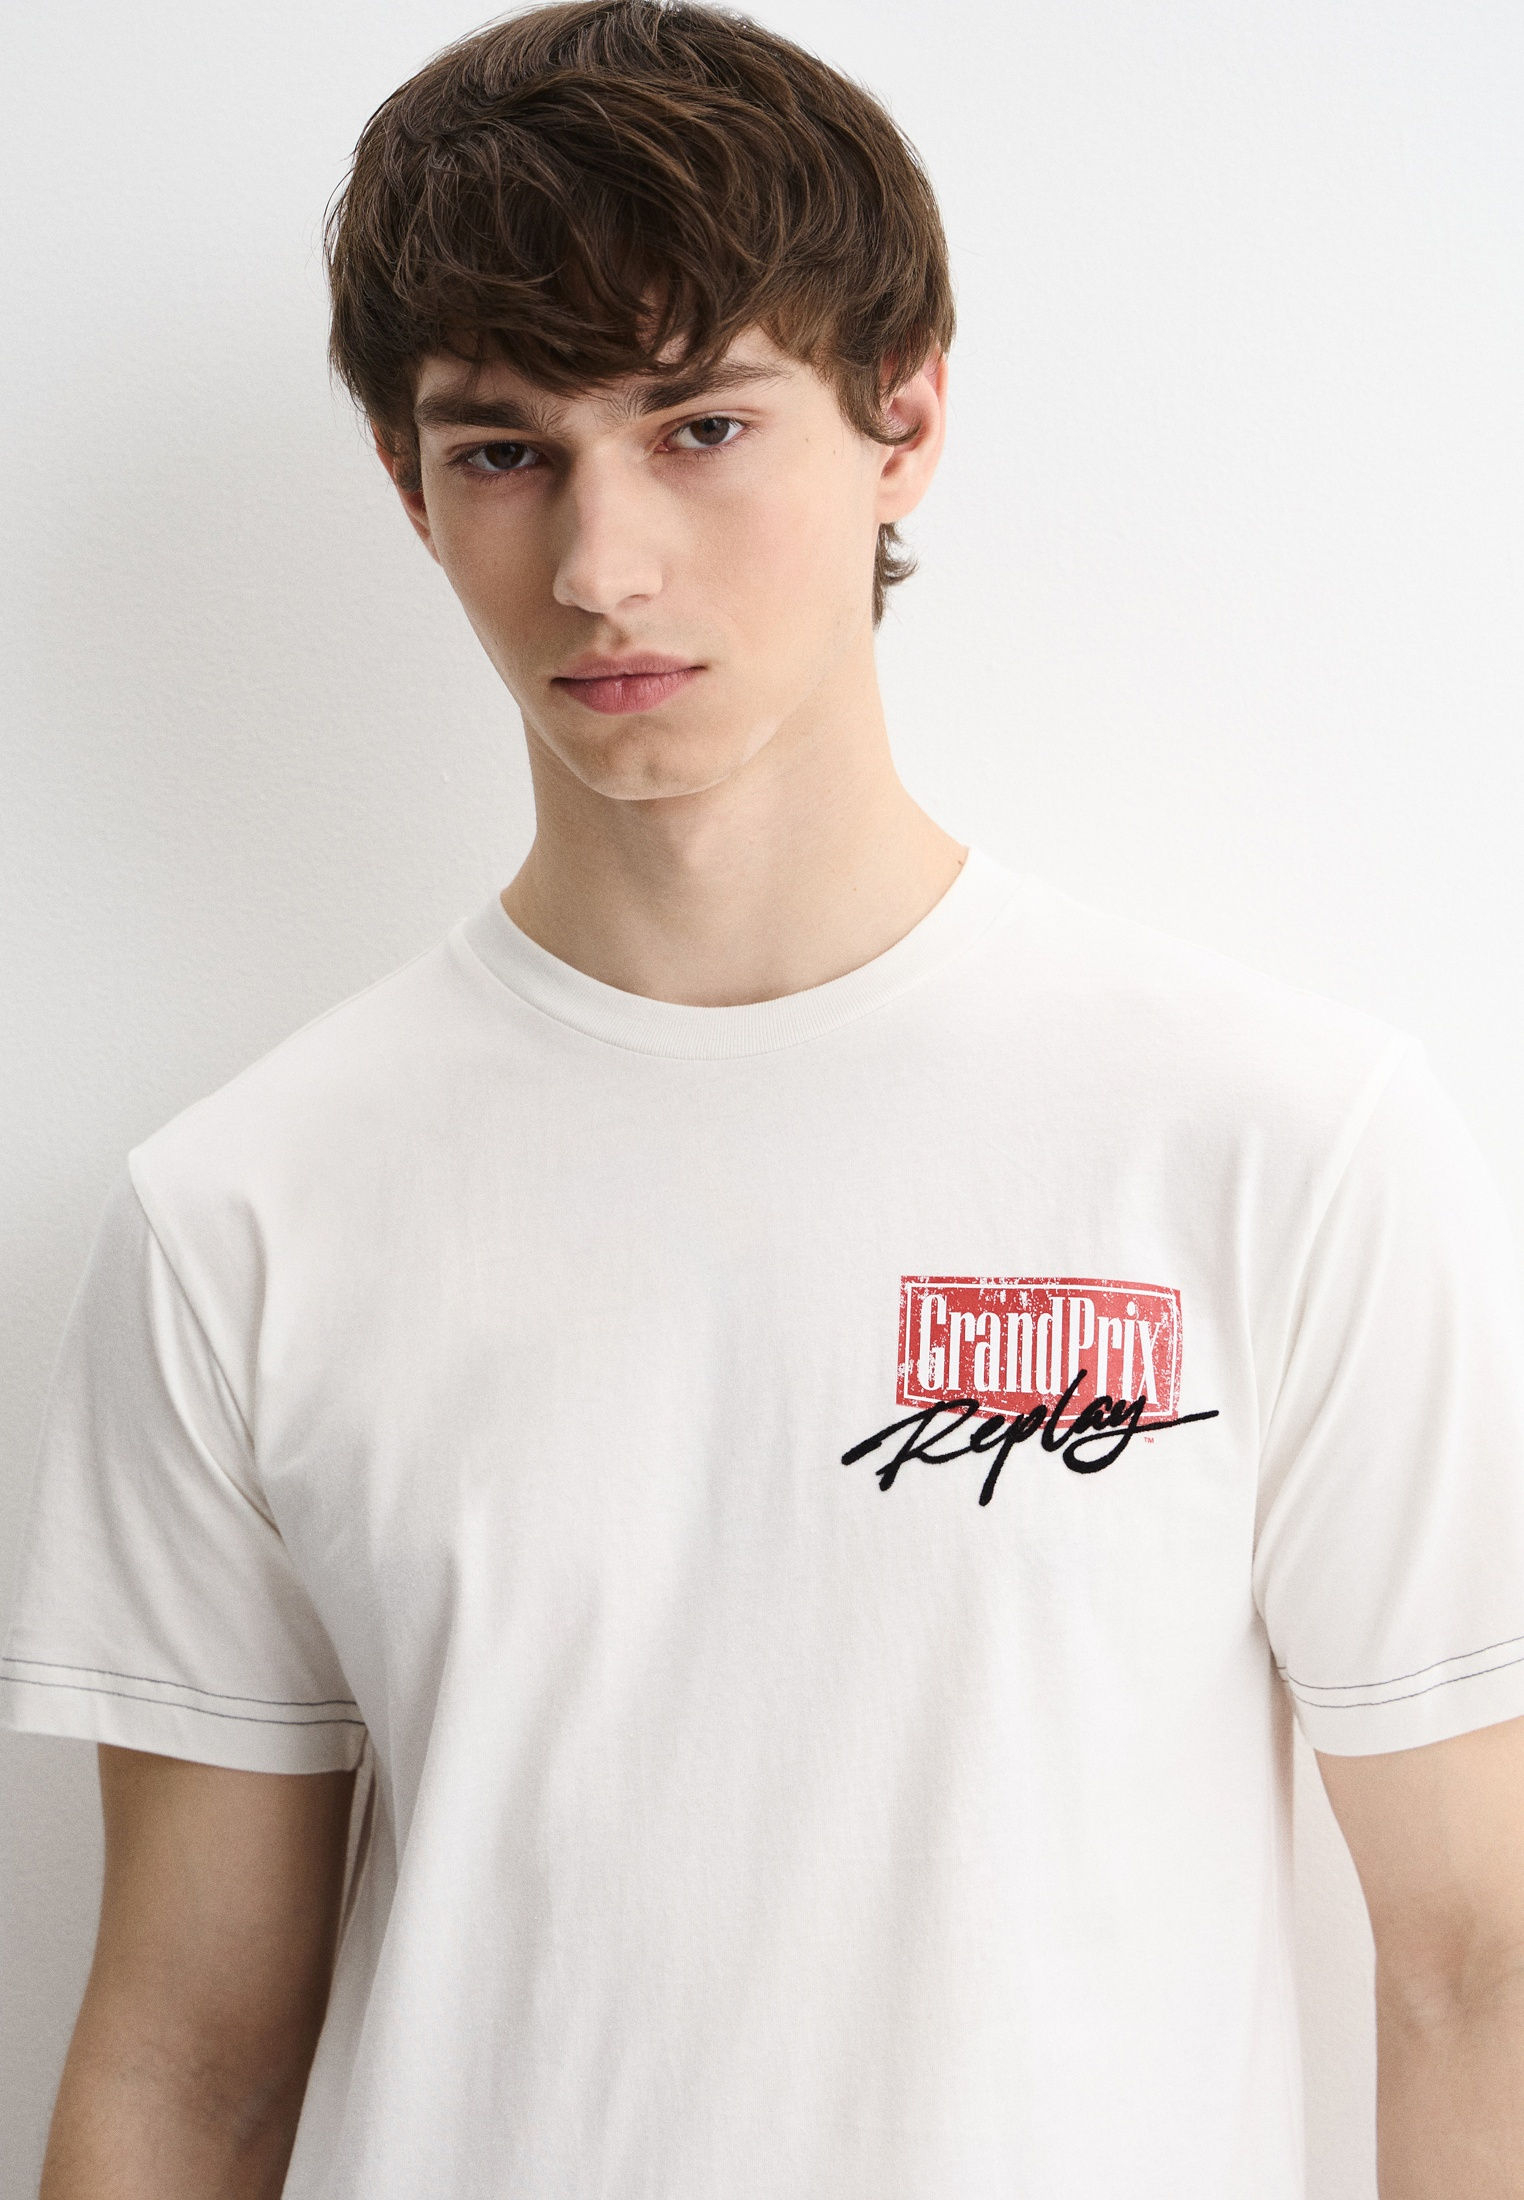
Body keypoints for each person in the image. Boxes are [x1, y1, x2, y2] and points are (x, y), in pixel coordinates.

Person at [4, 1, 1523, 2193]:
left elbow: (1477, 1970)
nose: (602, 565)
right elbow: (185, 2059)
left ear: (903, 414)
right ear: (409, 489)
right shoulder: (241, 1211)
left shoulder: (1278, 1144)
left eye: (700, 425)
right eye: (505, 451)